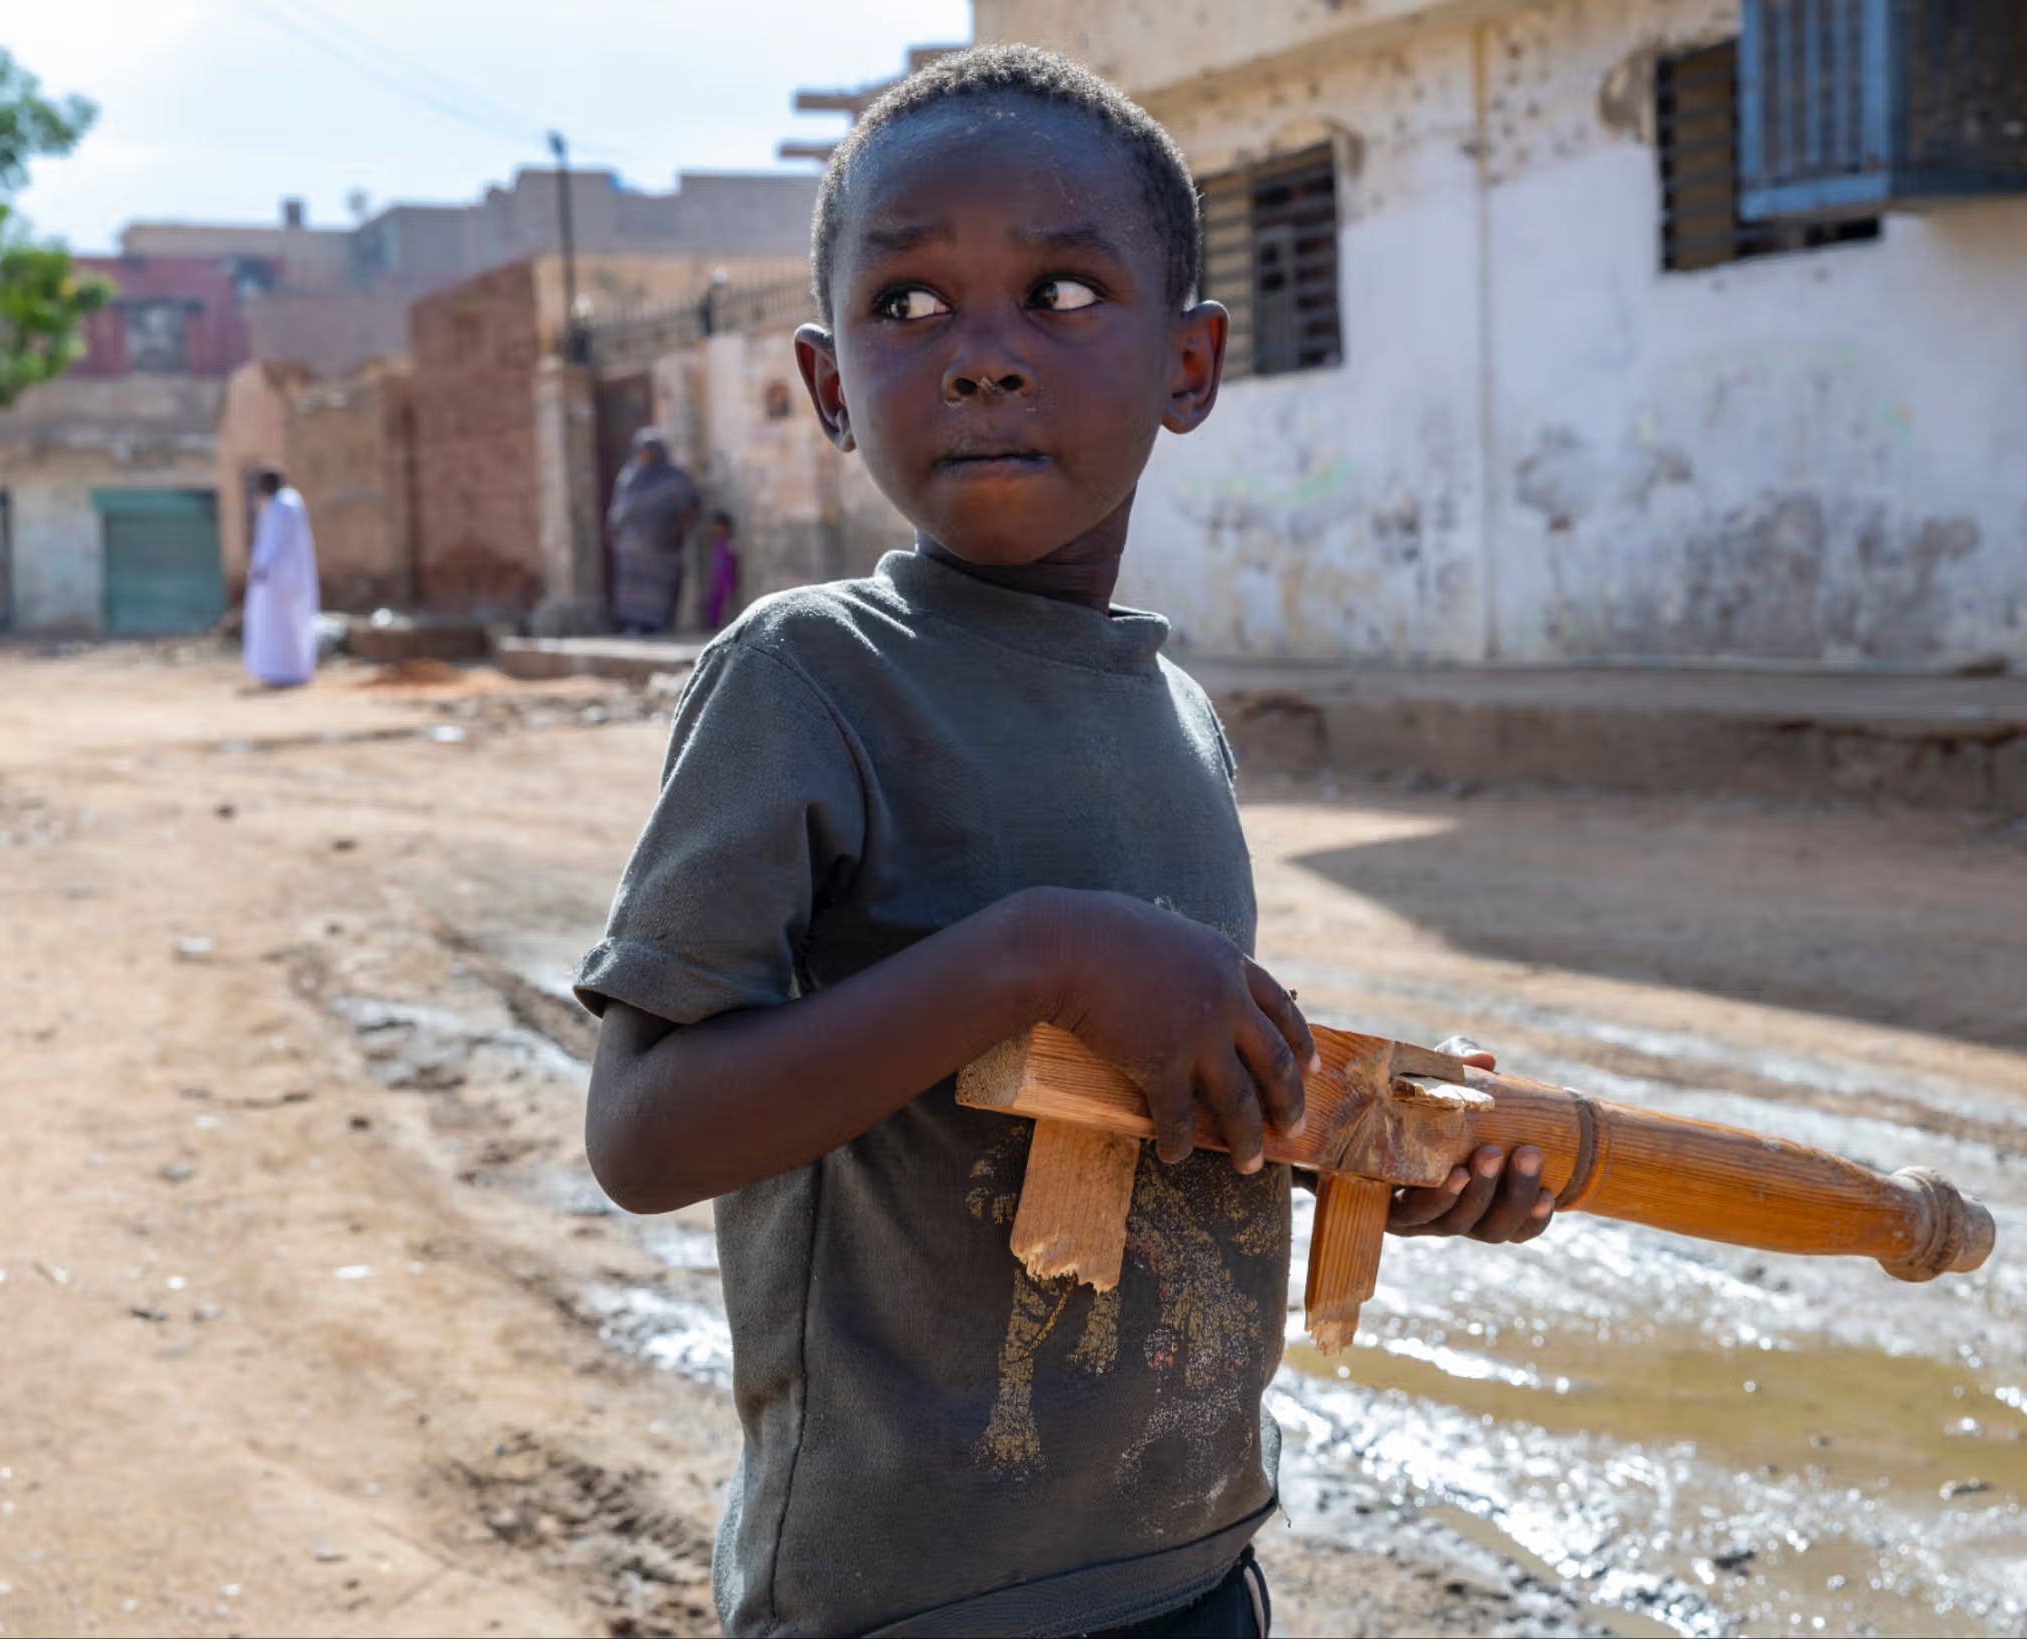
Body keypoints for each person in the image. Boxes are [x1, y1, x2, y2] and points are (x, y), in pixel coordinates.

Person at [576, 45, 1553, 1639]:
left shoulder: (1174, 713)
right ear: (830, 388)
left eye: (1065, 292)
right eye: (909, 307)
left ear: (1190, 362)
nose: (982, 357)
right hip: (910, 1602)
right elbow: (644, 1133)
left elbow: (1163, 1111)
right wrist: (1042, 952)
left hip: (1190, 1566)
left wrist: (1385, 1152)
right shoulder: (807, 678)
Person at [605, 427, 700, 634]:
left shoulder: (674, 477)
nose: (643, 455)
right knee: (632, 590)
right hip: (631, 548)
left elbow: (689, 507)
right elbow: (620, 507)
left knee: (662, 589)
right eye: (640, 450)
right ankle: (633, 625)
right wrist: (614, 532)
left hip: (663, 547)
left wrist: (677, 532)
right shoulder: (630, 476)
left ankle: (660, 625)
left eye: (647, 450)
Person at [243, 468, 318, 687]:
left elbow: (274, 544)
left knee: (284, 627)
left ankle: (287, 672)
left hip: (280, 580)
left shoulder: (282, 506)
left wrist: (262, 568)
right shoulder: (286, 503)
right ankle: (280, 670)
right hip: (283, 579)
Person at [703, 509, 743, 628]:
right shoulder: (717, 544)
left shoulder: (731, 544)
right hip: (717, 581)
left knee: (725, 608)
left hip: (726, 581)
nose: (715, 529)